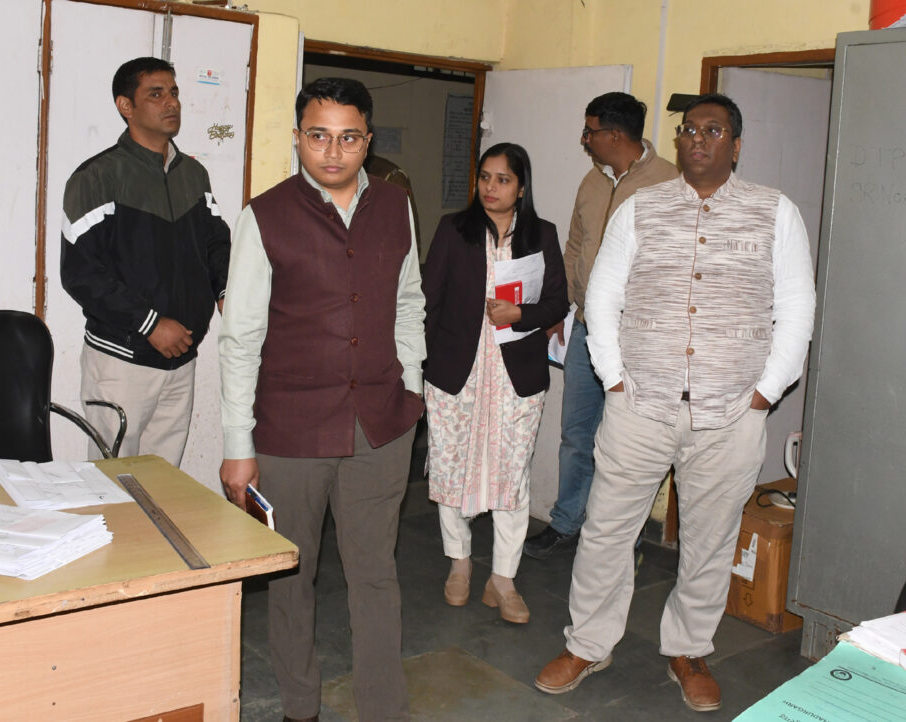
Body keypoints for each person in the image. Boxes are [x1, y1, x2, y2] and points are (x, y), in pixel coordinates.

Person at [535, 94, 815, 712]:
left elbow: (797, 309)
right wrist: (613, 379)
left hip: (731, 413)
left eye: (713, 130)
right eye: (689, 129)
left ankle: (688, 649)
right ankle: (587, 644)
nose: (697, 139)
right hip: (639, 405)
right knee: (606, 530)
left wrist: (764, 395)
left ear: (735, 146)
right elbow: (603, 296)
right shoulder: (641, 208)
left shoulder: (775, 212)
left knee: (710, 540)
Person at [218, 77, 425, 722]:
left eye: (348, 138)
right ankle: (299, 707)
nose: (333, 152)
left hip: (380, 425)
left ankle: (383, 709)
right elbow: (241, 338)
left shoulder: (396, 205)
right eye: (318, 136)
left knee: (376, 575)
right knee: (290, 575)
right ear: (298, 138)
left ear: (368, 140)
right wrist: (238, 445)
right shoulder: (264, 216)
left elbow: (409, 302)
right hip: (291, 431)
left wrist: (411, 386)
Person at [524, 92, 678, 560]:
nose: (584, 139)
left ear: (614, 135)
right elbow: (575, 246)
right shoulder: (592, 181)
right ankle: (566, 522)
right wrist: (563, 306)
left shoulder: (670, 183)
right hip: (586, 330)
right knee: (576, 436)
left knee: (628, 445)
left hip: (639, 340)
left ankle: (622, 539)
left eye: (589, 131)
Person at [60, 57, 230, 466]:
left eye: (174, 92)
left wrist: (226, 292)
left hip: (182, 355)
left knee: (164, 478)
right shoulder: (96, 176)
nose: (171, 102)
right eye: (156, 94)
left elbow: (216, 243)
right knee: (113, 478)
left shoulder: (193, 175)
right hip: (122, 358)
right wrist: (150, 324)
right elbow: (80, 273)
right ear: (126, 106)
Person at [423, 143, 567, 623]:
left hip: (515, 376)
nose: (490, 187)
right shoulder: (454, 229)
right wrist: (420, 367)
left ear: (521, 188)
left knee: (512, 473)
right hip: (456, 373)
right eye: (485, 177)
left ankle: (503, 578)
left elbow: (558, 301)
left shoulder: (541, 235)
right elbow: (429, 300)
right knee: (450, 467)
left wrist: (520, 313)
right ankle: (459, 562)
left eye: (503, 179)